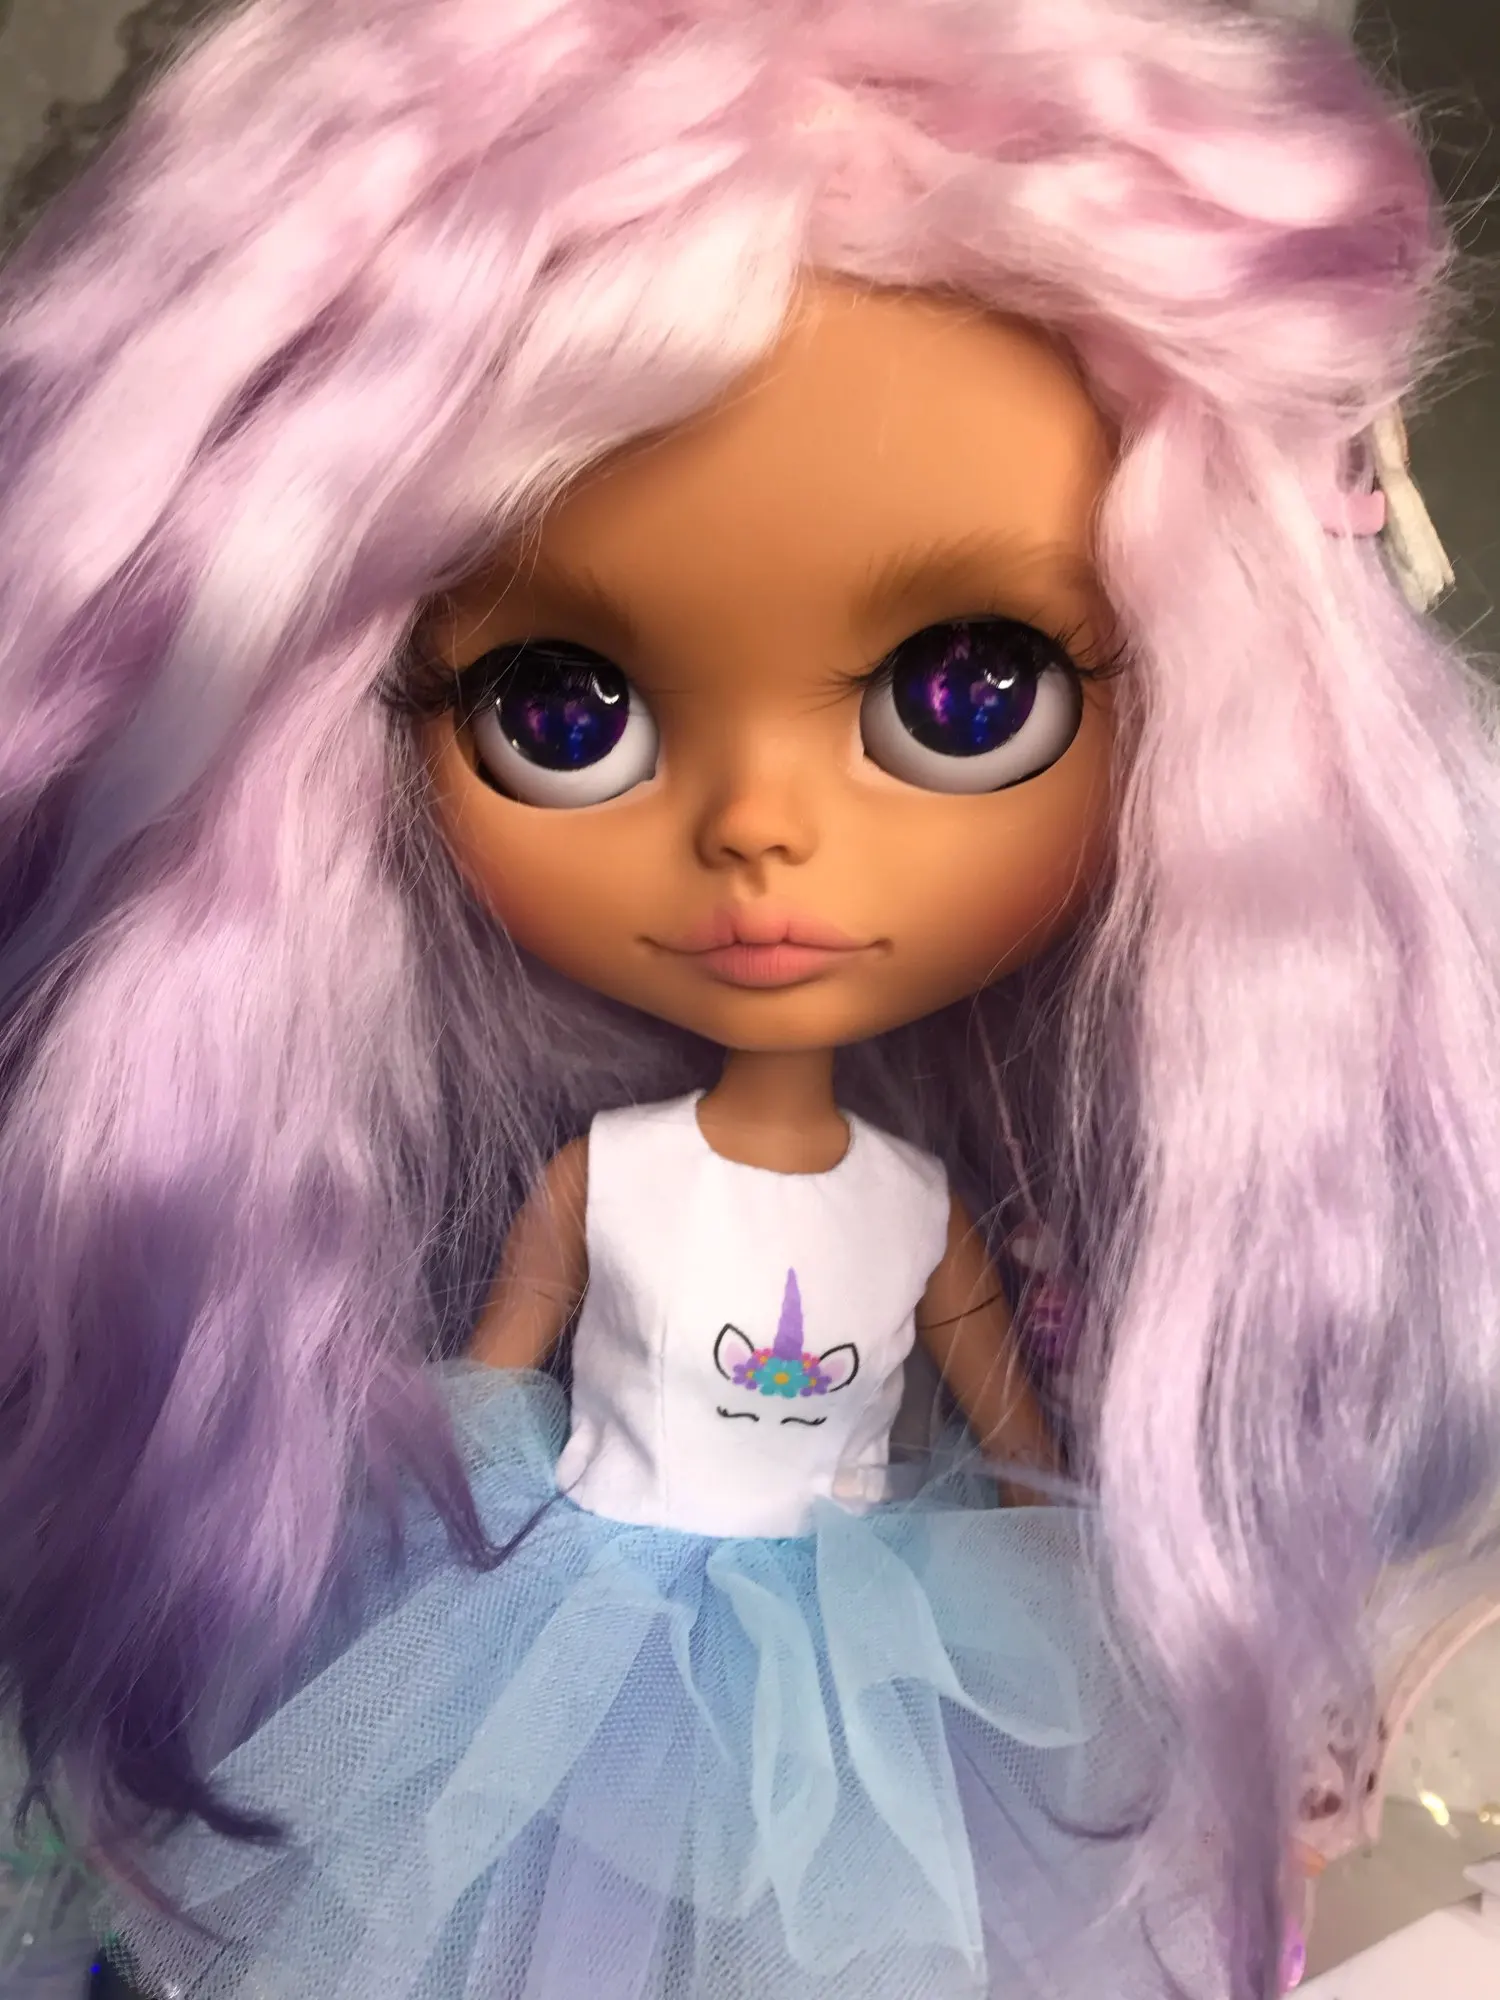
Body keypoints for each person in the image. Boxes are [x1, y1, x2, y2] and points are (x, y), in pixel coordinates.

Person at [1, 3, 1497, 1996]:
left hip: (879, 1636)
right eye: (559, 707)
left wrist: (1073, 1567)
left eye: (967, 694)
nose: (760, 835)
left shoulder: (925, 1208)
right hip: (562, 1621)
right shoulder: (599, 1171)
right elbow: (491, 1384)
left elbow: (1008, 1429)